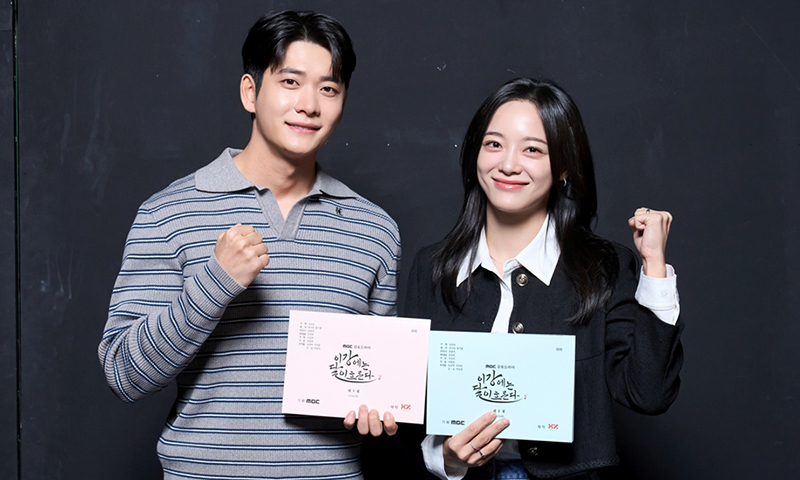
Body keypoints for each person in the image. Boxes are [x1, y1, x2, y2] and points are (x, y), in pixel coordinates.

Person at [98, 11, 398, 479]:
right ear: (250, 92)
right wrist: (213, 284)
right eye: (290, 82)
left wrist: (379, 406)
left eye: (328, 88)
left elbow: (382, 383)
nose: (309, 105)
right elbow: (124, 375)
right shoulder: (169, 212)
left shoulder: (374, 229)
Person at [403, 78, 683, 479]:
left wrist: (654, 267)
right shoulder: (432, 267)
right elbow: (411, 407)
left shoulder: (603, 267)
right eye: (494, 144)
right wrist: (447, 459)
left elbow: (648, 394)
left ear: (564, 166)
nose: (508, 164)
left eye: (532, 149)